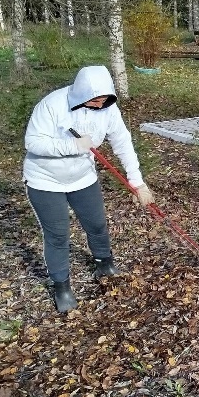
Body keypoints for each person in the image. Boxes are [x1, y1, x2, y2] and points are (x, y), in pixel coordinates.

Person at [23, 65, 154, 312]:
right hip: (45, 181)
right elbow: (32, 142)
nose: (100, 103)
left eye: (105, 98)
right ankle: (61, 286)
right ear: (81, 94)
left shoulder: (108, 109)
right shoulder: (52, 105)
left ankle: (104, 264)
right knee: (58, 235)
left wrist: (137, 182)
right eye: (95, 99)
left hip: (83, 179)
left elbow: (122, 142)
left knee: (96, 224)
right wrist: (72, 146)